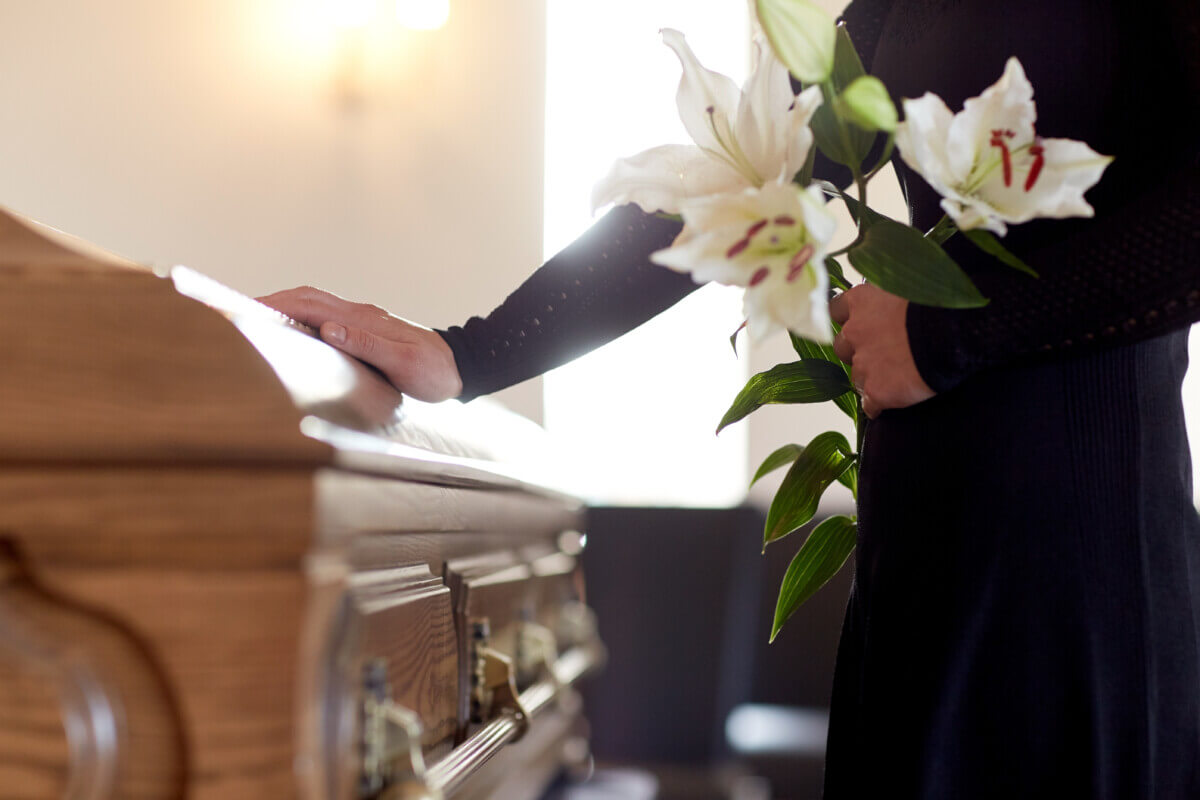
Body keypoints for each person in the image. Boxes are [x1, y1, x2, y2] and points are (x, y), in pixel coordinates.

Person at [261, 0, 1200, 796]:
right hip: (925, 536)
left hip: (1083, 546)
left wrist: (952, 333)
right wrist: (468, 354)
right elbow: (737, 180)